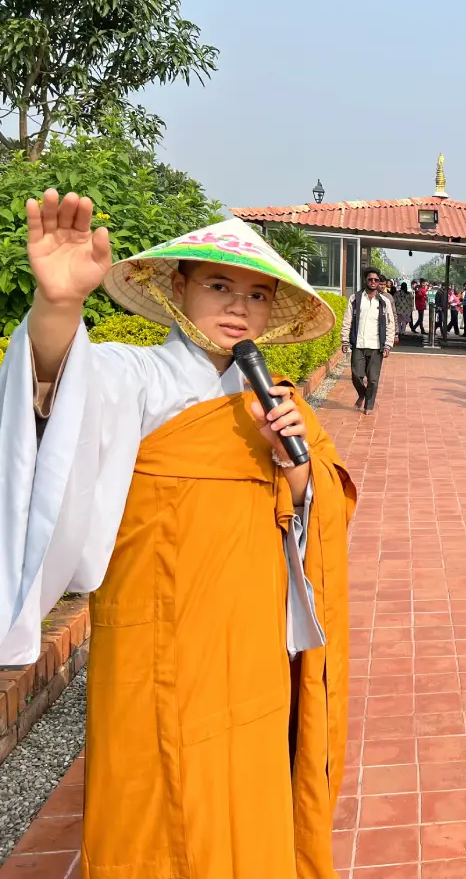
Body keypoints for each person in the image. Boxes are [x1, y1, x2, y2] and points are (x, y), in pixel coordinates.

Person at [0, 189, 356, 874]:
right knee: (153, 810)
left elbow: (326, 506)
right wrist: (59, 307)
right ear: (178, 289)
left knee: (244, 804)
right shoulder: (136, 378)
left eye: (256, 296)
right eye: (219, 286)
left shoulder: (275, 400)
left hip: (252, 648)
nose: (237, 307)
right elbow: (59, 383)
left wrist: (297, 474)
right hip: (157, 641)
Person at [341, 268, 398, 415]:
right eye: (370, 279)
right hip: (359, 344)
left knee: (373, 379)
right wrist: (345, 340)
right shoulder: (355, 299)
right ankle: (362, 394)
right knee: (356, 375)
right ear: (365, 281)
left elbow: (390, 324)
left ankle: (369, 405)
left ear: (379, 283)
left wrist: (388, 344)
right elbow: (347, 320)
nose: (373, 282)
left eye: (376, 280)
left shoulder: (384, 301)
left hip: (376, 346)